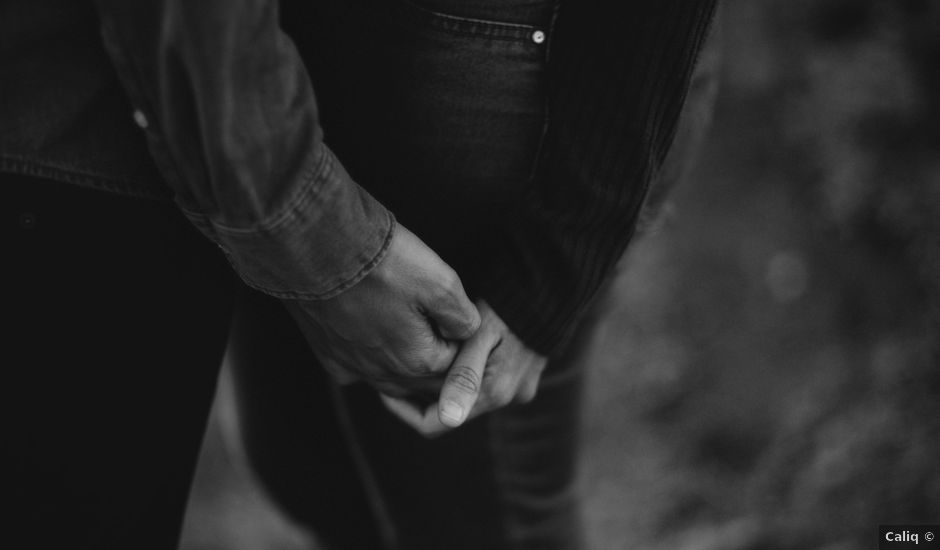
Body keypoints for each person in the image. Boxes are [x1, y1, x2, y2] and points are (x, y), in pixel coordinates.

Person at [1, 0, 717, 549]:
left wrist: (565, 251)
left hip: (477, 76)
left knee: (473, 517)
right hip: (270, 69)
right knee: (313, 475)